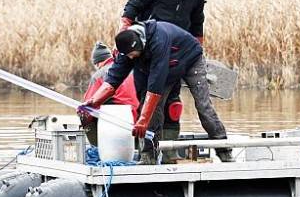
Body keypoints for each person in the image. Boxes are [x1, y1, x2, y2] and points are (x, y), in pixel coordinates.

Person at [119, 0, 223, 163]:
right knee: (151, 102)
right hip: (150, 50)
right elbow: (131, 9)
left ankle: (172, 152)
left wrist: (198, 54)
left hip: (181, 54)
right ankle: (149, 152)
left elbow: (197, 24)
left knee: (175, 105)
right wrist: (125, 38)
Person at [82, 20, 232, 164]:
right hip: (167, 67)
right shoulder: (126, 50)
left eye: (133, 54)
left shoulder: (159, 39)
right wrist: (93, 102)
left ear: (141, 45)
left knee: (203, 106)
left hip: (190, 59)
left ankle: (224, 151)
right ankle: (149, 156)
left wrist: (143, 120)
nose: (130, 57)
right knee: (151, 110)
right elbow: (112, 79)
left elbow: (155, 85)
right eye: (128, 55)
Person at [78, 41, 140, 147]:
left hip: (120, 124)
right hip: (139, 120)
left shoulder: (99, 75)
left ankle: (98, 148)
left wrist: (84, 121)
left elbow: (88, 104)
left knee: (84, 113)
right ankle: (138, 147)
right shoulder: (132, 70)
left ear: (97, 63)